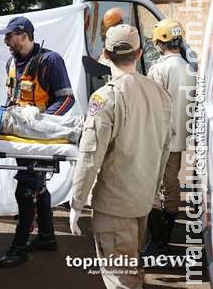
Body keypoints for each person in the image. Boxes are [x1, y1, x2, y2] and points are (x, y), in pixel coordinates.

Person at [70, 24, 173, 289]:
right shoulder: (160, 95)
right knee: (131, 272)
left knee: (121, 280)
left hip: (114, 206)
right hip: (141, 203)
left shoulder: (105, 98)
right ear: (139, 54)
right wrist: (152, 193)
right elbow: (164, 150)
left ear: (104, 54)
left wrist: (76, 203)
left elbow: (90, 157)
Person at [0, 16, 75, 268]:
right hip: (18, 135)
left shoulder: (50, 61)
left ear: (24, 35)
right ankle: (46, 237)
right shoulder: (11, 62)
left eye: (10, 36)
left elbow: (66, 99)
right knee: (37, 184)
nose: (7, 41)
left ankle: (19, 248)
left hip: (39, 136)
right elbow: (11, 98)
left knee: (26, 187)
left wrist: (41, 123)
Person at [143, 19, 195, 256]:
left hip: (158, 139)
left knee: (153, 189)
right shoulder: (190, 68)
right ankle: (165, 237)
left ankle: (158, 242)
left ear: (160, 42)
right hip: (179, 139)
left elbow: (151, 107)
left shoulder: (159, 69)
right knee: (171, 186)